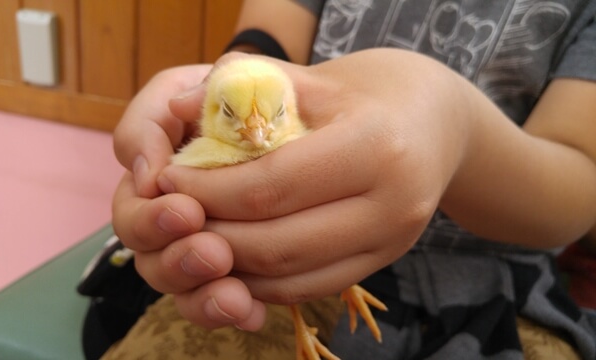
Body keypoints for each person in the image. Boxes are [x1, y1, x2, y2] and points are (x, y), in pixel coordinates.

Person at [106, 0, 596, 358]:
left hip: (500, 284)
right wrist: (224, 74)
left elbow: (581, 178)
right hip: (273, 261)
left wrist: (457, 126)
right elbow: (268, 36)